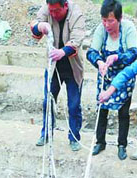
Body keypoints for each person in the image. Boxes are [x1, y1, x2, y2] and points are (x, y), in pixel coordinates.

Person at [86, 0, 137, 160]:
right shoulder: (101, 30)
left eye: (110, 20)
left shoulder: (128, 29)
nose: (107, 24)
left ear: (119, 18)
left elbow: (133, 53)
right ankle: (100, 142)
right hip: (106, 75)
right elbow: (91, 52)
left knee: (123, 112)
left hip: (124, 77)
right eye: (104, 20)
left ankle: (121, 144)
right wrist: (100, 62)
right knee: (102, 109)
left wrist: (117, 57)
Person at [31, 0, 85, 152]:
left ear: (65, 6)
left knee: (73, 105)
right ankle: (46, 133)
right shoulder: (47, 9)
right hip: (53, 67)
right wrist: (39, 26)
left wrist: (62, 52)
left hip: (72, 67)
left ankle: (74, 137)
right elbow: (35, 26)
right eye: (51, 11)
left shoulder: (76, 14)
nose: (53, 14)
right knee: (48, 101)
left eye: (56, 11)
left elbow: (77, 40)